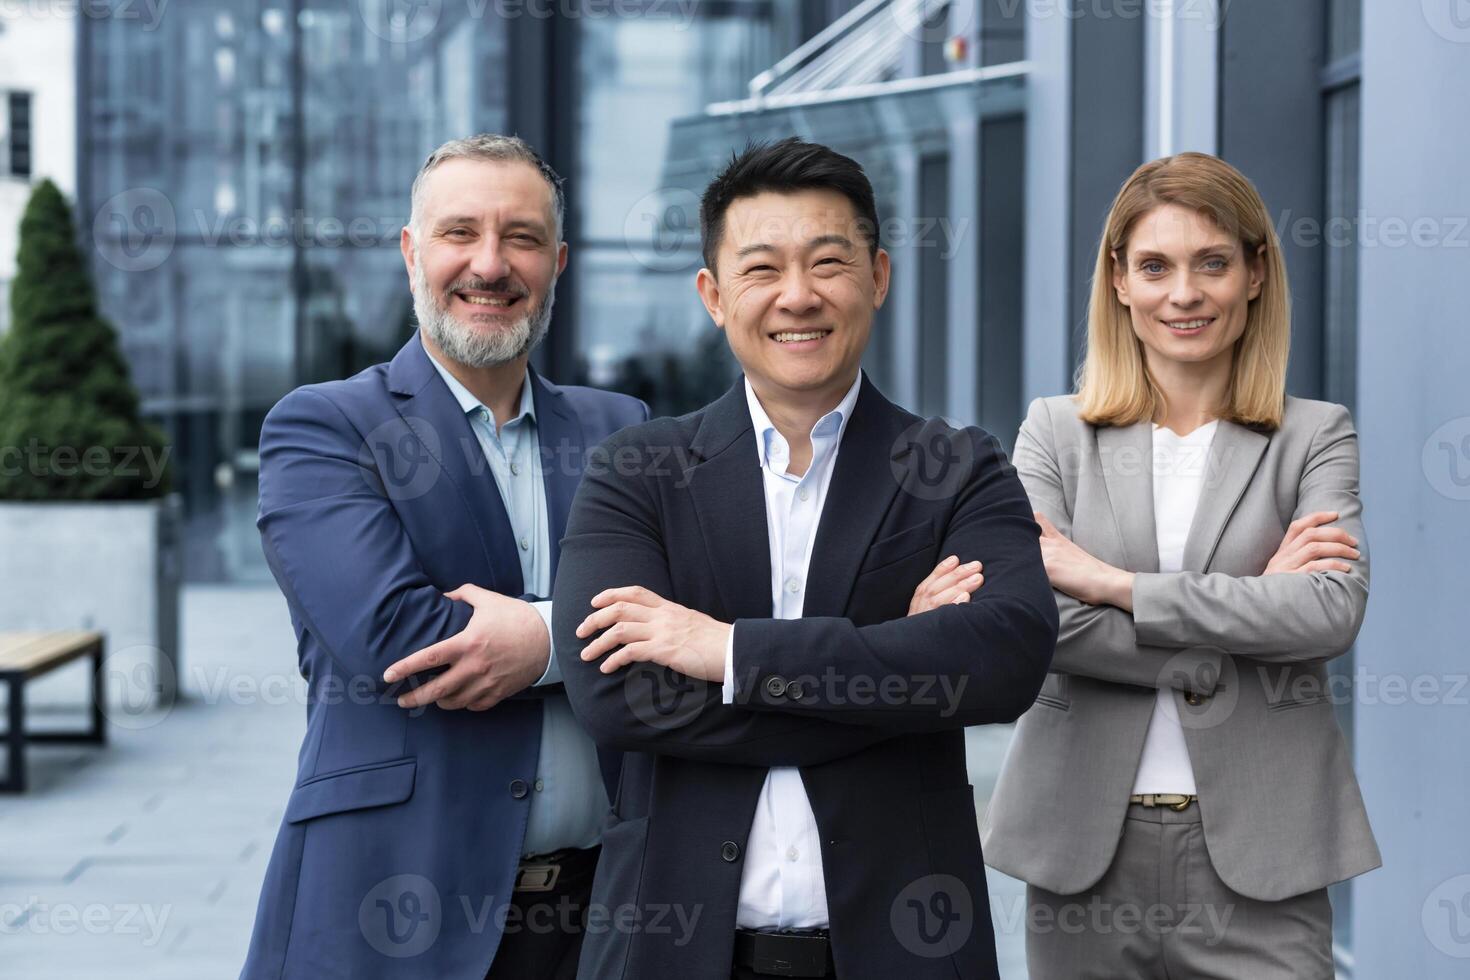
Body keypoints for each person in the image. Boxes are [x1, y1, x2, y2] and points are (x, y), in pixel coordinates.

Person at [550, 138, 1059, 980]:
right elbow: (616, 694)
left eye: (829, 262)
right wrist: (892, 661)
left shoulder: (957, 466)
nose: (798, 296)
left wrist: (727, 653)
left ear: (880, 276)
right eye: (762, 269)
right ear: (714, 295)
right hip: (673, 950)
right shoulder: (637, 470)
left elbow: (1005, 659)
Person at [240, 135, 648, 980]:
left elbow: (693, 618)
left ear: (559, 261)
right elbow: (400, 637)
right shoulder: (325, 427)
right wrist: (588, 635)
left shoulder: (624, 432)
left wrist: (537, 638)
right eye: (460, 232)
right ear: (411, 250)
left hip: (607, 919)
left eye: (523, 238)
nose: (490, 265)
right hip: (391, 909)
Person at [982, 152, 1381, 976]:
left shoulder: (1314, 435)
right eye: (1155, 266)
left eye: (1213, 263)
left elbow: (1328, 612)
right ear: (1120, 281)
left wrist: (1113, 585)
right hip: (1083, 846)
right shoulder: (1054, 433)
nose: (1185, 294)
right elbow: (1033, 619)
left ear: (1256, 274)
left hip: (1264, 859)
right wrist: (1240, 623)